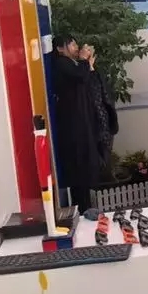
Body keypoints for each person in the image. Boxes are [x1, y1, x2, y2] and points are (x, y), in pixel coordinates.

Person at [52, 34, 100, 212]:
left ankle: (86, 206)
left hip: (80, 121)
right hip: (73, 124)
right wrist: (84, 61)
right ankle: (82, 208)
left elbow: (85, 79)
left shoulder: (71, 63)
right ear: (60, 48)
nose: (76, 47)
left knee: (84, 166)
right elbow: (79, 76)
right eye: (71, 44)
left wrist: (88, 64)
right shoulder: (62, 63)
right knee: (78, 166)